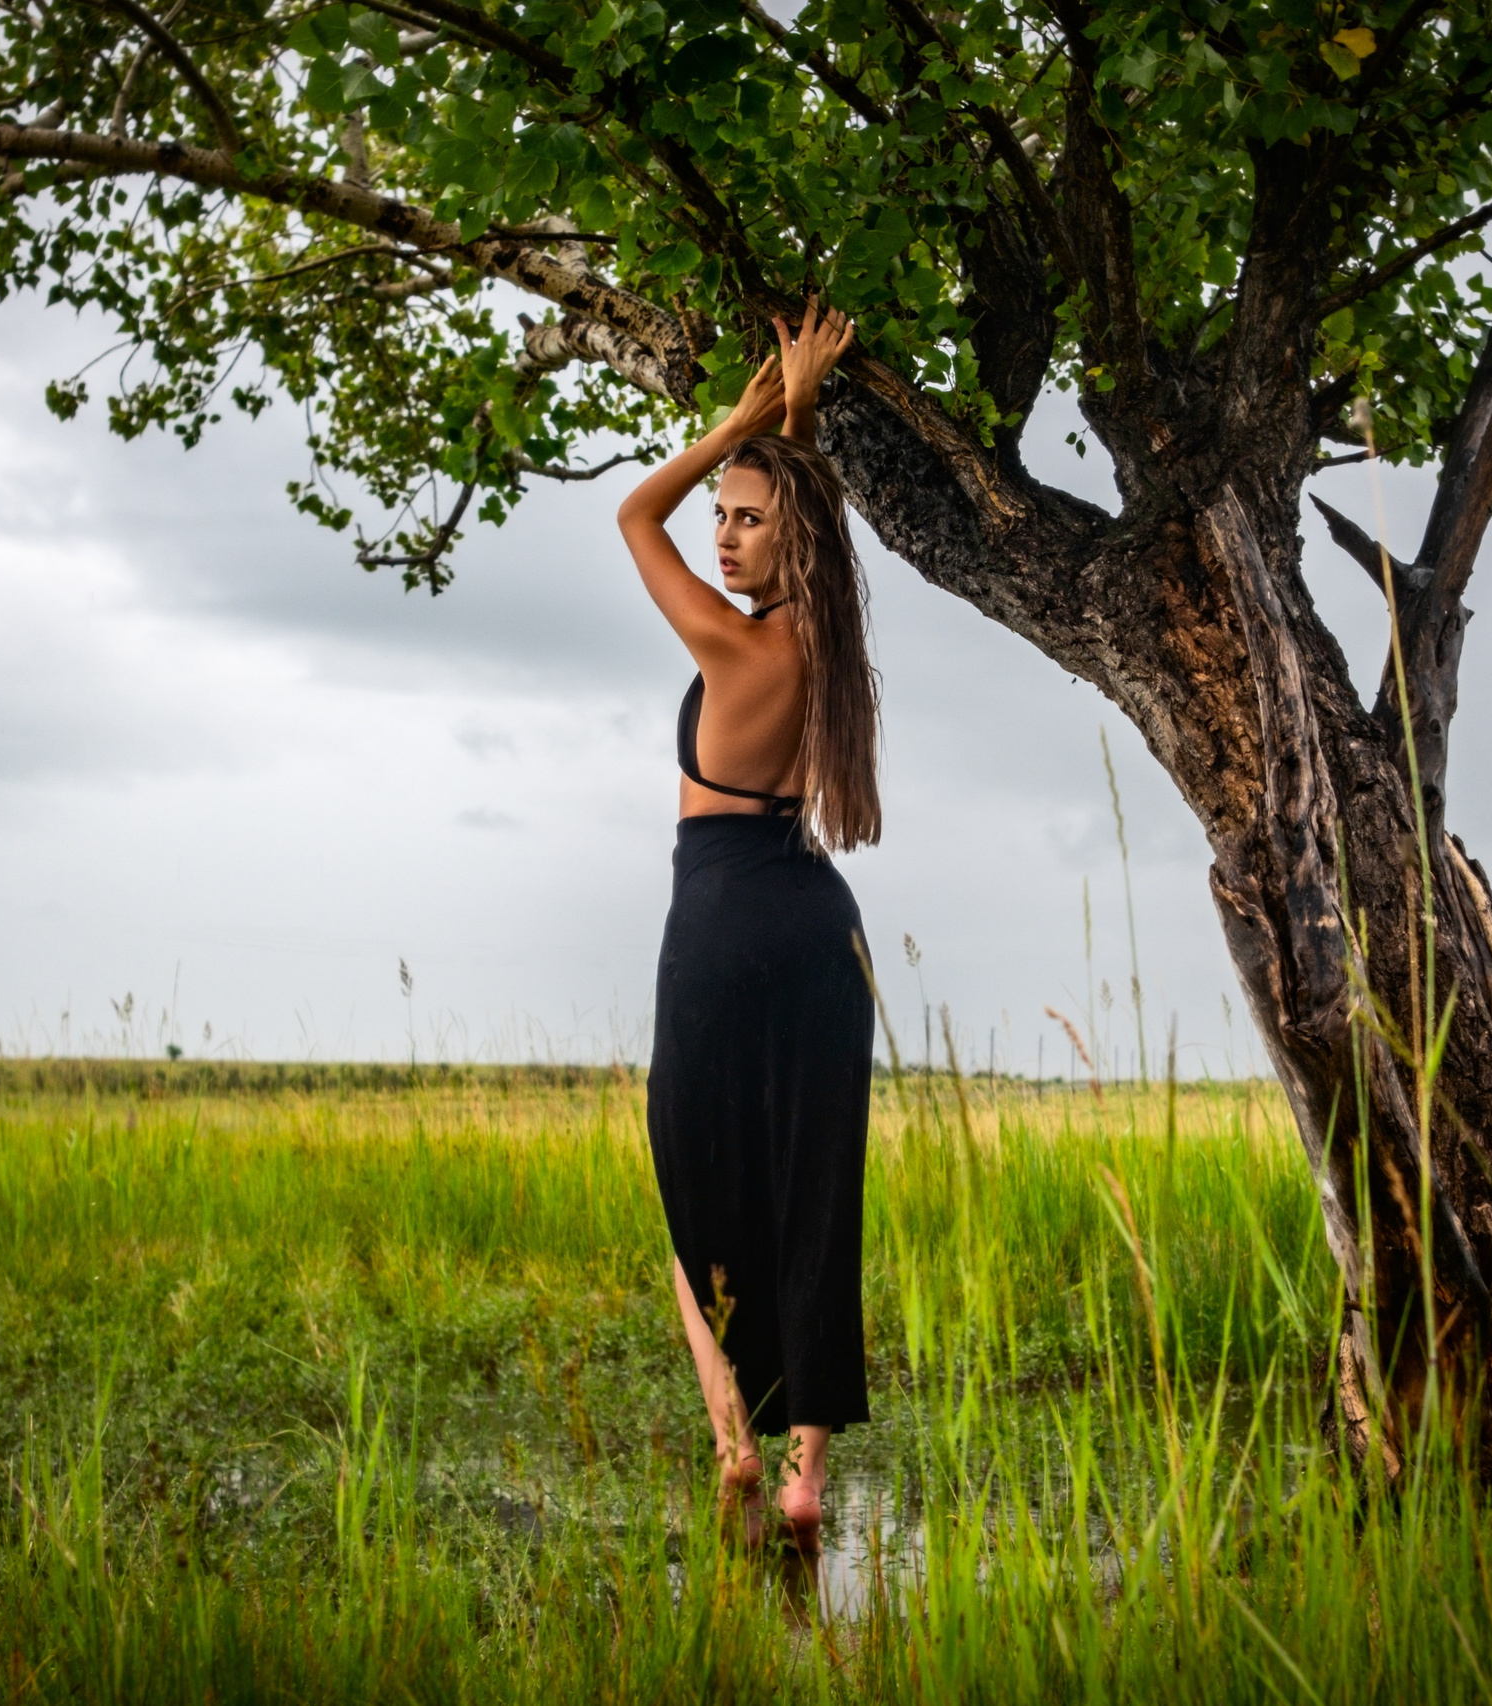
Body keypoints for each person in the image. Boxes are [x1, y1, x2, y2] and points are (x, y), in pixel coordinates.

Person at [615, 301, 880, 1551]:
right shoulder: (828, 637)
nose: (720, 538)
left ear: (784, 537)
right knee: (815, 1188)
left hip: (720, 922)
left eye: (742, 518)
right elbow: (811, 531)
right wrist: (797, 418)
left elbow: (629, 515)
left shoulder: (729, 646)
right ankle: (804, 1477)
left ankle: (733, 1438)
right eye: (719, 515)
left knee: (692, 1188)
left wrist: (739, 419)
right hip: (817, 924)